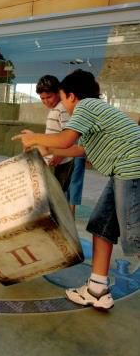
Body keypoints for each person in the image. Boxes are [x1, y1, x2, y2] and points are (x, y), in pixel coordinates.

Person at [12, 69, 140, 310]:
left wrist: (36, 139)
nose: (63, 106)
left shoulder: (86, 106)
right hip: (122, 170)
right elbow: (79, 150)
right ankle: (97, 290)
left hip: (133, 168)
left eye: (62, 99)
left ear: (71, 96)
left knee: (135, 237)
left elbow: (64, 140)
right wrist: (45, 148)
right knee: (101, 226)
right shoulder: (94, 112)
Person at [35, 75, 74, 191]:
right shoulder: (55, 108)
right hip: (52, 160)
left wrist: (60, 155)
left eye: (49, 97)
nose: (46, 101)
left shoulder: (62, 108)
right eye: (42, 98)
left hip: (61, 161)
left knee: (56, 196)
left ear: (58, 92)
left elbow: (69, 135)